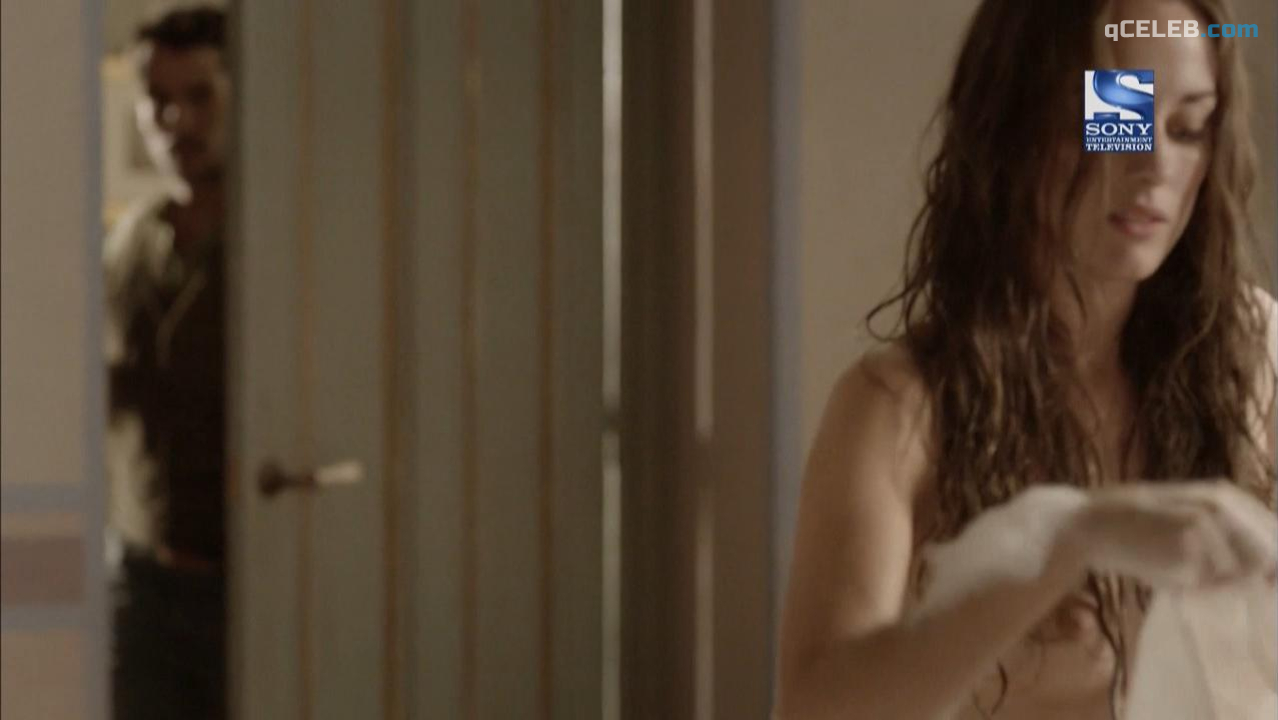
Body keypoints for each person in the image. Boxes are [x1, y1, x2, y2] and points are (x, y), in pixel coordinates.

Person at [774, 0, 1276, 718]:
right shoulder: (902, 410)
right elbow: (814, 707)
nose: (1155, 164)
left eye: (1189, 127)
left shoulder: (1250, 359)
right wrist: (1065, 539)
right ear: (1016, 123)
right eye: (1117, 112)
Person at [104, 6, 231, 718]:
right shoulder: (127, 246)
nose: (178, 121)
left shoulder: (272, 238)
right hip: (142, 581)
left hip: (245, 582)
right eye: (158, 102)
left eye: (199, 96)